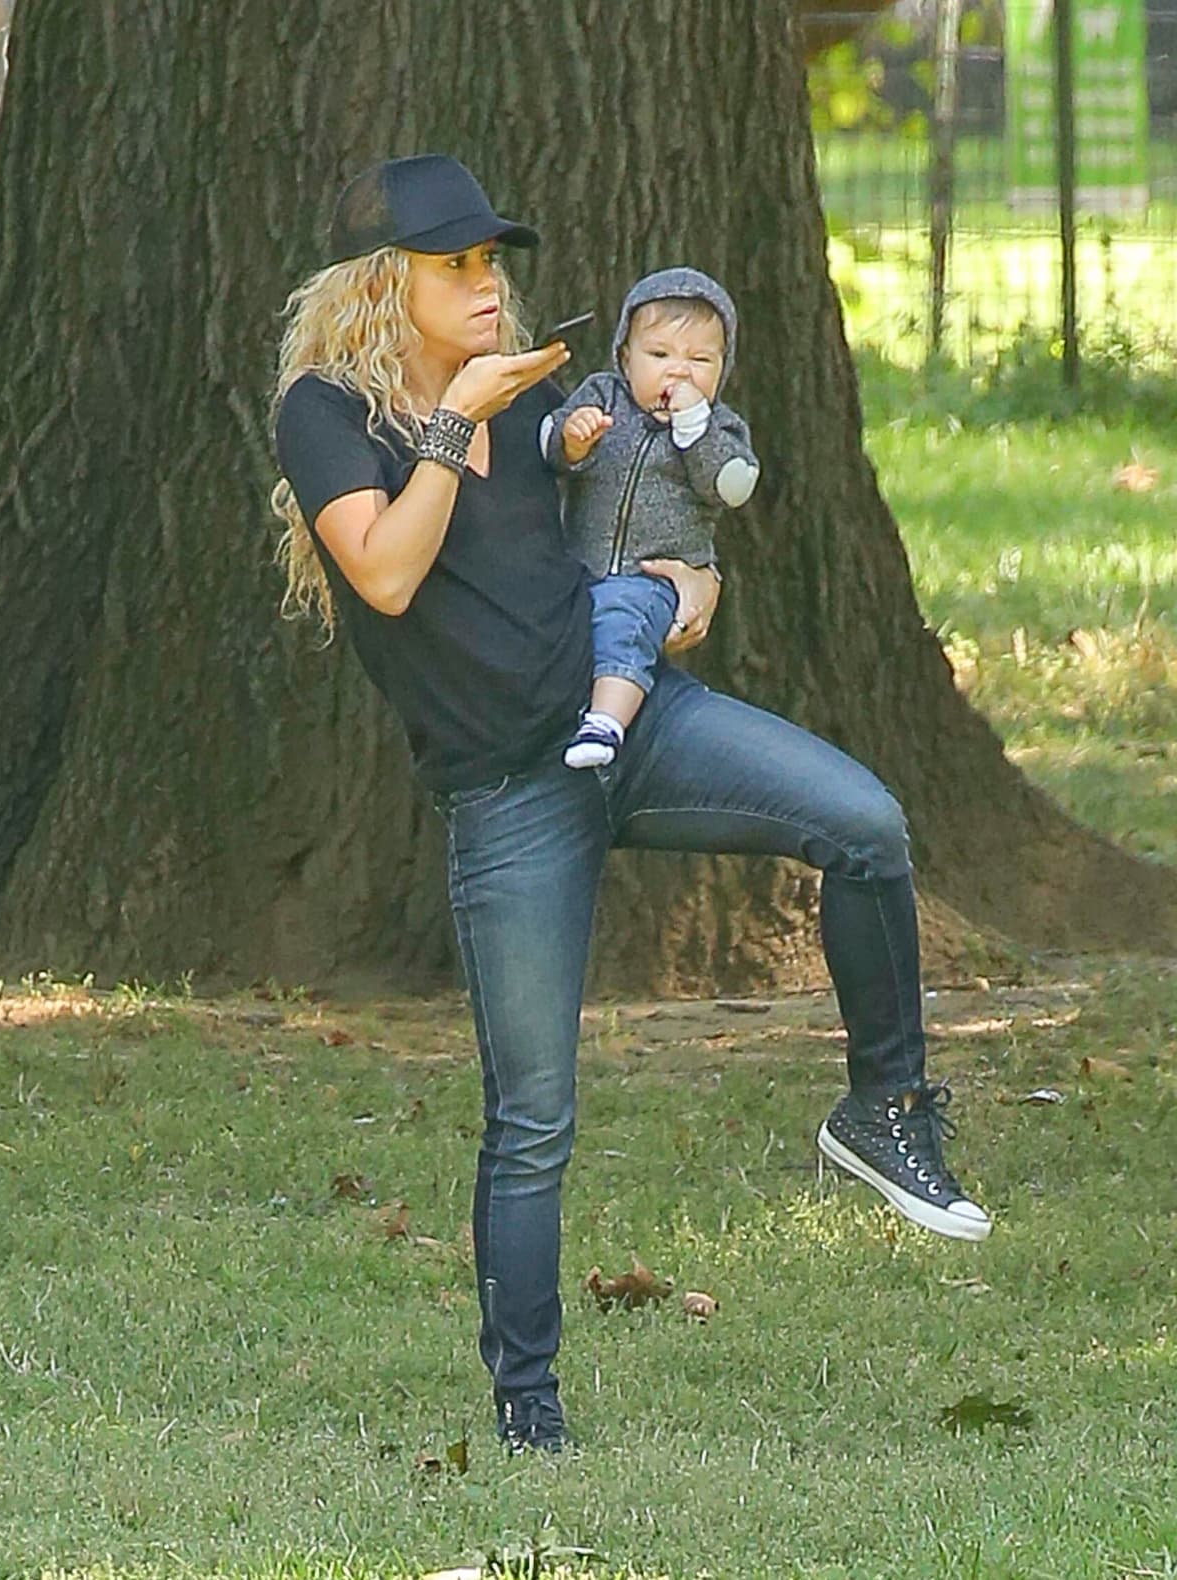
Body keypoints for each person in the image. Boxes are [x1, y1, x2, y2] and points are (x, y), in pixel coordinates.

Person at [271, 154, 992, 1458]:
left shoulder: (543, 395)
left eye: (495, 261)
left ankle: (883, 1112)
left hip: (637, 718)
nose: (491, 286)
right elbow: (381, 573)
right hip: (508, 794)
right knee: (533, 1117)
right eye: (460, 265)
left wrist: (676, 581)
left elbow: (623, 515)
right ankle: (530, 1408)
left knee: (868, 825)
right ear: (387, 286)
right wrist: (454, 422)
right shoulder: (328, 414)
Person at [542, 267, 759, 769]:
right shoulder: (603, 396)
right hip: (581, 560)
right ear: (625, 357)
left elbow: (731, 485)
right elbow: (549, 444)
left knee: (625, 623)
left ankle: (606, 722)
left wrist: (694, 429)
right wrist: (572, 440)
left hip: (655, 575)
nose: (678, 373)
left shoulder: (719, 428)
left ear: (722, 369)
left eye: (700, 360)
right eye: (659, 355)